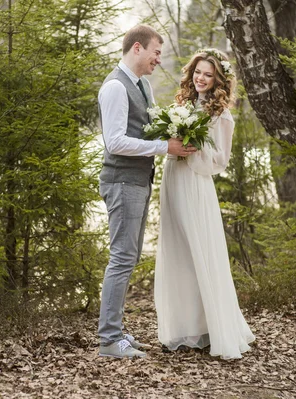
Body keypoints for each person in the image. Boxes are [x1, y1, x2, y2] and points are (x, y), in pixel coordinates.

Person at [97, 25, 196, 358]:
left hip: (137, 181)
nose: (158, 59)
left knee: (130, 256)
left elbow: (150, 125)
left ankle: (117, 332)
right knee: (122, 257)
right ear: (137, 48)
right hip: (122, 181)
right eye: (156, 52)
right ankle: (109, 340)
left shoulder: (142, 85)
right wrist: (164, 147)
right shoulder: (115, 87)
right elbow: (115, 142)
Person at [154, 49, 255, 359]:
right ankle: (185, 327)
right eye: (198, 72)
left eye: (208, 75)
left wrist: (194, 149)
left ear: (218, 80)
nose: (201, 78)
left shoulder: (221, 116)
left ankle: (214, 327)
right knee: (179, 252)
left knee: (200, 250)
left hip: (196, 185)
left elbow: (219, 161)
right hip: (174, 177)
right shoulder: (182, 104)